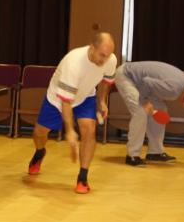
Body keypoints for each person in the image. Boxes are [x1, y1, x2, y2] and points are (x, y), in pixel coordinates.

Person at [27, 31, 117, 194]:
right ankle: (40, 152)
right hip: (58, 99)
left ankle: (82, 178)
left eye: (108, 56)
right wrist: (70, 131)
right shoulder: (73, 63)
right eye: (102, 55)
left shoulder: (110, 59)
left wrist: (102, 101)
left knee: (89, 129)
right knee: (39, 133)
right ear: (92, 48)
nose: (104, 60)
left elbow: (106, 82)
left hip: (85, 96)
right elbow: (66, 102)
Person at [113, 61, 184, 166]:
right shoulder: (173, 91)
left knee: (161, 109)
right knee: (141, 112)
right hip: (127, 76)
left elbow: (151, 85)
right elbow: (146, 82)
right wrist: (144, 101)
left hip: (143, 84)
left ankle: (155, 152)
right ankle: (132, 155)